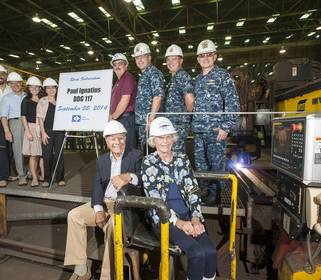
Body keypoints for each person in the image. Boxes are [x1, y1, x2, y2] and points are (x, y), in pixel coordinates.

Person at [64, 120, 142, 280]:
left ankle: (107, 276)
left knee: (113, 227)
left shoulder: (136, 155)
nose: (117, 142)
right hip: (105, 202)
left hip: (124, 206)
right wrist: (99, 210)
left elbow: (144, 179)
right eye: (112, 139)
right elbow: (97, 187)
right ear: (106, 141)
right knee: (74, 215)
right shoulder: (102, 160)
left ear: (125, 139)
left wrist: (129, 176)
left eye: (120, 138)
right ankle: (81, 269)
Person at [142, 117, 217, 280]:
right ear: (153, 140)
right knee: (196, 253)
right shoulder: (148, 163)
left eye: (168, 136)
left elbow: (193, 189)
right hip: (164, 219)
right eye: (160, 137)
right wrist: (179, 223)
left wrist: (196, 218)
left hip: (188, 216)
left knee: (210, 252)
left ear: (173, 138)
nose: (165, 141)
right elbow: (156, 202)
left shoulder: (182, 159)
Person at [192, 39, 240, 205]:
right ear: (198, 59)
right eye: (202, 55)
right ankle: (204, 191)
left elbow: (232, 103)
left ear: (215, 57)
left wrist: (226, 127)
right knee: (200, 163)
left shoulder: (222, 76)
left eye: (209, 55)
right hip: (199, 130)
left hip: (215, 130)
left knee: (216, 164)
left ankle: (216, 195)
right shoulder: (197, 79)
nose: (205, 58)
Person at [132, 42, 164, 151]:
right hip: (143, 123)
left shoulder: (153, 73)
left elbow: (158, 96)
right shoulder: (144, 75)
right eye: (137, 58)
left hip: (150, 123)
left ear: (149, 57)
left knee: (152, 153)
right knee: (145, 153)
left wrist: (151, 120)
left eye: (143, 57)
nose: (140, 60)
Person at [164, 44, 194, 153]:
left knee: (177, 154)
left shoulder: (182, 76)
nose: (170, 62)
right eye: (168, 59)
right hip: (174, 124)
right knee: (173, 153)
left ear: (181, 60)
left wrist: (184, 119)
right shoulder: (174, 77)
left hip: (178, 124)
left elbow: (190, 101)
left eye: (174, 59)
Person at [36, 77, 65, 187]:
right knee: (47, 155)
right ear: (45, 89)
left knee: (59, 155)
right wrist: (42, 133)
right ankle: (47, 179)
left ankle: (60, 178)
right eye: (48, 88)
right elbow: (39, 118)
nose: (51, 90)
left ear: (56, 89)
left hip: (59, 131)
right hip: (47, 130)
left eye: (53, 87)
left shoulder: (61, 101)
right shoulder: (42, 101)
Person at [0, 72, 27, 186]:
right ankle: (22, 175)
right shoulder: (7, 98)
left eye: (18, 83)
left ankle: (31, 171)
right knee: (18, 150)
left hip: (29, 123)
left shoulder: (27, 95)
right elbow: (3, 116)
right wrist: (7, 131)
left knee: (31, 149)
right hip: (16, 123)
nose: (15, 85)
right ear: (9, 84)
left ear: (21, 83)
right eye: (12, 83)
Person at [110, 53, 137, 150]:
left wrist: (113, 117)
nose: (117, 66)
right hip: (120, 119)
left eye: (120, 63)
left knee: (128, 150)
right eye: (115, 64)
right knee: (121, 149)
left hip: (125, 120)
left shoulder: (127, 78)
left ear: (126, 65)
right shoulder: (118, 81)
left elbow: (124, 101)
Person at [21, 76, 44, 187]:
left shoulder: (42, 100)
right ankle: (34, 178)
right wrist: (28, 131)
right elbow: (23, 116)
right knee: (33, 155)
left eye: (36, 87)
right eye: (31, 87)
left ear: (40, 88)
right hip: (31, 127)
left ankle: (39, 174)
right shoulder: (26, 100)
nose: (34, 89)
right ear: (28, 88)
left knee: (40, 154)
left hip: (42, 127)